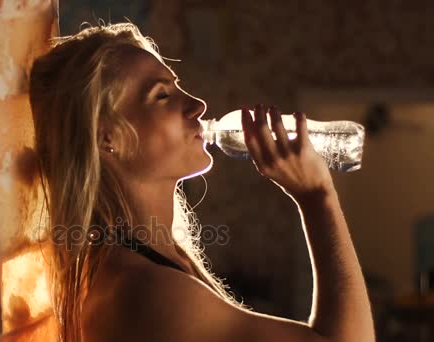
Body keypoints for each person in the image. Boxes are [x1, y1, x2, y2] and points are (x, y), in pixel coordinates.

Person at [29, 22, 375, 342]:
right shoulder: (154, 291)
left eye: (177, 86)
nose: (197, 105)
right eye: (161, 95)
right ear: (107, 138)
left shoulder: (147, 265)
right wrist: (317, 197)